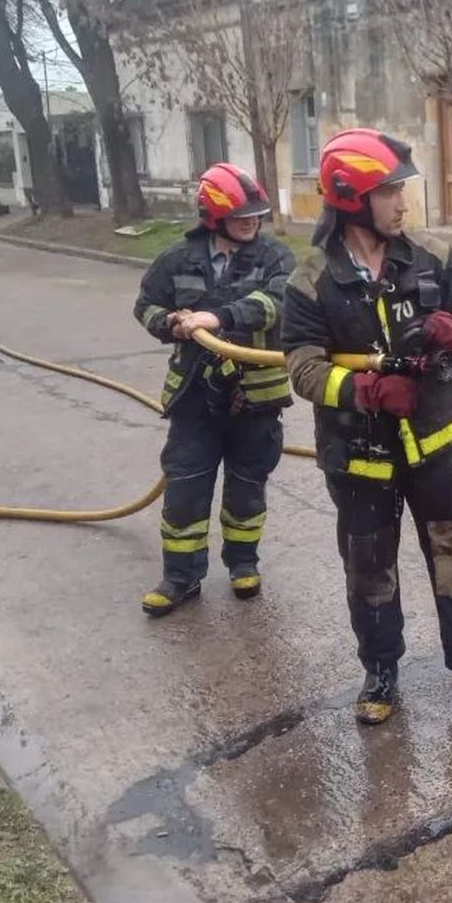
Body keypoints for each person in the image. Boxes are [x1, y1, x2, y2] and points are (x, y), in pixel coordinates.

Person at [281, 127, 452, 725]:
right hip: (358, 453)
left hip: (438, 444)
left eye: (403, 190)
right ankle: (380, 672)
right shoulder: (310, 281)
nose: (403, 203)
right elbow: (300, 366)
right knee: (369, 566)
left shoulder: (432, 255)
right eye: (390, 192)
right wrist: (363, 388)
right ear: (351, 198)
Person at [132, 163, 295, 618]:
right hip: (194, 397)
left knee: (247, 485)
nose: (252, 221)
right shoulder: (177, 259)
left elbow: (278, 301)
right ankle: (180, 577)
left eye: (257, 214)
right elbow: (145, 305)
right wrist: (169, 324)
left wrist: (215, 318)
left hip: (255, 399)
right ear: (212, 215)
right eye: (242, 214)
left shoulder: (275, 257)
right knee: (185, 486)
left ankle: (243, 563)